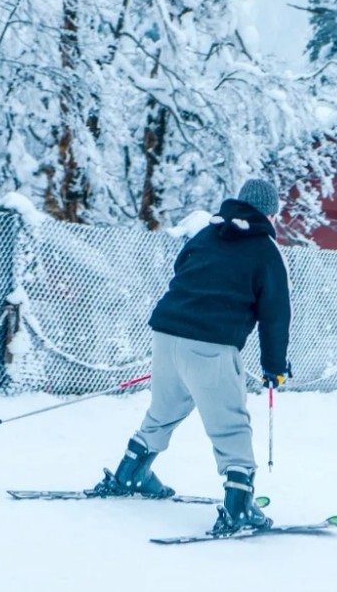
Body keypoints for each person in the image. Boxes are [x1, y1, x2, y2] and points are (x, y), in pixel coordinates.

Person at [92, 178, 293, 534]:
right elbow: (275, 313)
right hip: (211, 345)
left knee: (164, 409)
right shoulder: (265, 249)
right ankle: (239, 507)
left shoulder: (206, 234)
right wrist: (274, 367)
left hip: (167, 334)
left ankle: (131, 472)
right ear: (270, 213)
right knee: (230, 425)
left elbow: (183, 270)